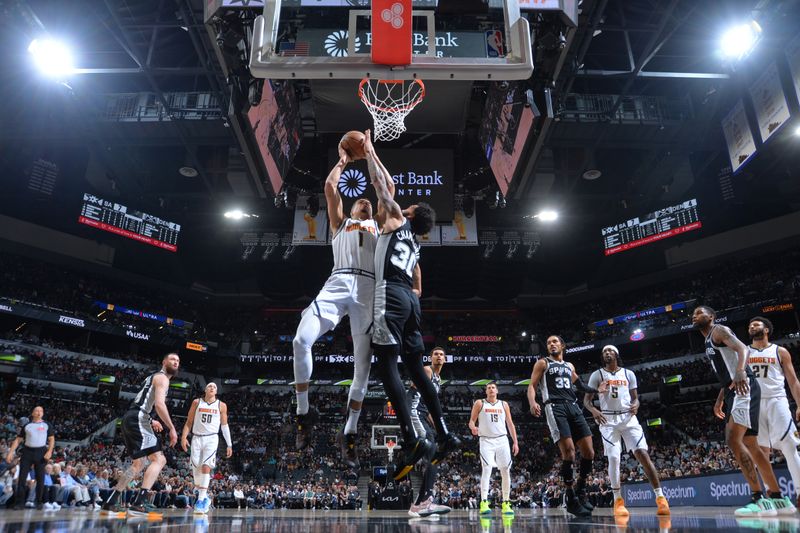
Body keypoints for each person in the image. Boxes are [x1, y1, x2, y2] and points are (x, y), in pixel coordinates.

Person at [293, 136, 395, 469]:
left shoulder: (379, 225)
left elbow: (386, 190)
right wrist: (342, 160)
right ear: (350, 209)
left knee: (363, 369)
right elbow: (328, 187)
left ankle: (349, 432)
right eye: (359, 202)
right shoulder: (339, 224)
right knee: (300, 340)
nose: (364, 202)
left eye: (368, 202)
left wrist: (371, 154)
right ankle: (303, 413)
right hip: (338, 280)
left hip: (369, 288)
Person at [366, 129, 461, 480]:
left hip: (390, 293)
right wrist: (416, 294)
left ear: (414, 212)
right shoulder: (415, 243)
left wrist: (370, 150)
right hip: (410, 300)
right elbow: (419, 275)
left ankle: (410, 436)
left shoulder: (397, 219)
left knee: (386, 363)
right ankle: (446, 433)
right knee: (418, 370)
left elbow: (381, 186)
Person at [692, 306, 777, 516]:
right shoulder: (707, 340)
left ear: (711, 316)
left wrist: (740, 371)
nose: (694, 316)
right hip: (732, 390)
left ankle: (758, 498)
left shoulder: (718, 330)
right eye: (693, 315)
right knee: (750, 443)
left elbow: (743, 349)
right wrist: (720, 399)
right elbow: (726, 371)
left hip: (743, 386)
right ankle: (777, 498)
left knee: (732, 439)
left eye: (699, 313)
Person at [583, 345, 670, 517]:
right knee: (614, 458)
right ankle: (618, 500)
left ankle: (660, 498)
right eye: (604, 352)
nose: (607, 353)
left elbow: (635, 398)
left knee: (642, 454)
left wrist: (636, 404)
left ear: (616, 354)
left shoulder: (628, 374)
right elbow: (587, 401)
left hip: (628, 418)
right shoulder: (597, 375)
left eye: (610, 351)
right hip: (607, 420)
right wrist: (594, 411)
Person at [527, 335, 606, 517]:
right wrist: (532, 402)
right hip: (555, 407)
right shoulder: (543, 363)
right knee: (569, 451)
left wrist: (596, 390)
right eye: (548, 343)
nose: (551, 344)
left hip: (573, 406)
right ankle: (570, 497)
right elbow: (532, 385)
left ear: (562, 345)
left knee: (589, 452)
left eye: (555, 341)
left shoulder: (569, 366)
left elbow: (580, 385)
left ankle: (580, 488)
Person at [101, 352, 180, 518]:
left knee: (138, 463)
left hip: (131, 417)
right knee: (159, 459)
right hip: (138, 417)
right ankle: (139, 503)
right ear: (164, 361)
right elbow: (159, 404)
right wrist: (172, 427)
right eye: (172, 359)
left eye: (178, 361)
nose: (176, 362)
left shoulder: (152, 378)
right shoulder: (162, 378)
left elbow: (141, 402)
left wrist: (151, 420)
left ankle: (111, 500)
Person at [748, 316, 800, 512]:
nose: (752, 326)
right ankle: (772, 494)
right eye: (750, 325)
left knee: (788, 445)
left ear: (766, 329)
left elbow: (793, 380)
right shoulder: (744, 352)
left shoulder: (780, 351)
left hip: (777, 400)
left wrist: (799, 404)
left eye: (756, 324)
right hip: (754, 404)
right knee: (761, 452)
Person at [407, 347, 452, 517]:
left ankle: (417, 506)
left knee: (435, 455)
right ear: (431, 358)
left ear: (445, 359)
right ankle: (426, 501)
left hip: (422, 415)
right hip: (414, 413)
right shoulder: (427, 370)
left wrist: (440, 429)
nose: (439, 357)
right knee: (433, 454)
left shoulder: (438, 379)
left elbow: (431, 408)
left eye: (442, 355)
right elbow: (411, 392)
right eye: (436, 354)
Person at [181, 382, 233, 515]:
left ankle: (200, 500)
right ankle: (205, 497)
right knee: (196, 469)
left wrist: (229, 444)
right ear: (205, 389)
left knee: (206, 466)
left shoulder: (221, 405)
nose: (212, 388)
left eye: (215, 387)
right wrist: (183, 437)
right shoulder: (196, 402)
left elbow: (224, 425)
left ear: (216, 392)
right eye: (210, 386)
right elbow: (189, 422)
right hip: (196, 438)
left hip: (211, 438)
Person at [469, 381, 519, 516]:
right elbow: (471, 421)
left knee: (505, 470)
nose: (491, 389)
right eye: (489, 388)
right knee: (487, 468)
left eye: (493, 388)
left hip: (502, 440)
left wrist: (515, 442)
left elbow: (510, 423)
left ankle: (506, 502)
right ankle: (484, 501)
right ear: (486, 391)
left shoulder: (504, 404)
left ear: (497, 391)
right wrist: (473, 427)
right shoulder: (480, 403)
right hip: (486, 440)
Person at [5, 406, 54, 510]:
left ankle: (39, 502)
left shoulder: (47, 425)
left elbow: (51, 439)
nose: (39, 412)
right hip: (27, 451)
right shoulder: (27, 425)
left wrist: (49, 451)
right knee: (22, 478)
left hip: (41, 452)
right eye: (36, 410)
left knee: (40, 478)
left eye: (41, 410)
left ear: (43, 413)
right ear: (32, 413)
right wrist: (10, 453)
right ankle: (19, 503)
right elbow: (18, 440)